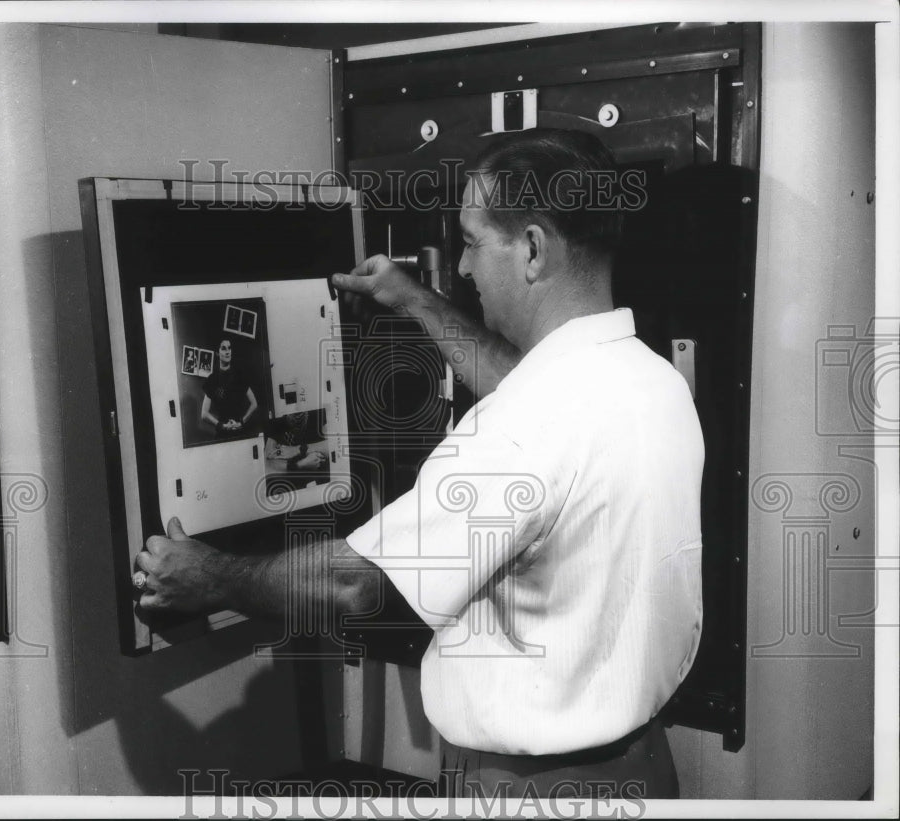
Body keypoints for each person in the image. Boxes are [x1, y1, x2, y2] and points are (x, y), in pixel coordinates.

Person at [135, 129, 703, 799]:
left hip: (530, 790)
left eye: (470, 241)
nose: (461, 270)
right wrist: (412, 299)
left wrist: (213, 576)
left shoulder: (520, 429)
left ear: (532, 248)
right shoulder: (651, 382)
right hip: (639, 767)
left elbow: (357, 586)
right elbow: (530, 389)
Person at [200, 336, 257, 438]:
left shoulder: (240, 375)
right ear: (217, 353)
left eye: (229, 348)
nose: (227, 352)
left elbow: (254, 404)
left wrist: (241, 423)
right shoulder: (212, 379)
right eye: (223, 348)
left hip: (240, 432)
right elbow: (204, 414)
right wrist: (222, 425)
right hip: (222, 434)